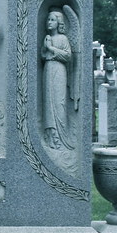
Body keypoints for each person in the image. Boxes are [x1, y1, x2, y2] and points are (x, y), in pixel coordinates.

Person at [42, 9, 74, 150]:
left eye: (52, 20)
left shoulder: (63, 39)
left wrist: (51, 48)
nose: (49, 22)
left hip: (59, 70)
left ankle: (62, 137)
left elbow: (67, 56)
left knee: (59, 102)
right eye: (48, 19)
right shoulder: (47, 37)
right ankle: (51, 136)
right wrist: (45, 47)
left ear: (58, 23)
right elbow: (43, 56)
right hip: (48, 69)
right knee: (48, 102)